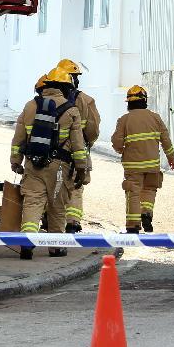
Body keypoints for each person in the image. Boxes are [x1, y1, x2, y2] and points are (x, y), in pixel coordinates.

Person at [10, 67, 88, 259]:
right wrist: (81, 169)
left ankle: (27, 242)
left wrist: (15, 161)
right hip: (59, 167)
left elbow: (18, 138)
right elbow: (79, 146)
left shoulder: (30, 106)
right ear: (64, 87)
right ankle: (55, 247)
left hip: (32, 164)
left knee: (33, 203)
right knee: (57, 206)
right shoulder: (71, 110)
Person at [111, 85, 174, 233]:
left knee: (133, 192)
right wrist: (171, 157)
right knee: (149, 189)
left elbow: (116, 143)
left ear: (128, 102)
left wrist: (120, 149)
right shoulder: (155, 118)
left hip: (133, 166)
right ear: (144, 101)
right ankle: (146, 212)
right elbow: (166, 140)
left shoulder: (124, 120)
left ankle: (133, 225)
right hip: (152, 165)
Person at [56, 59, 101, 233]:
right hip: (78, 149)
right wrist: (87, 142)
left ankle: (48, 217)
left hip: (52, 150)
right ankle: (72, 221)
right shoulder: (85, 100)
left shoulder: (45, 98)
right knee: (75, 185)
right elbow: (93, 129)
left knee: (51, 184)